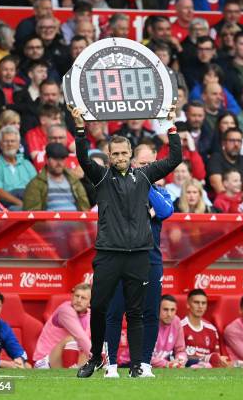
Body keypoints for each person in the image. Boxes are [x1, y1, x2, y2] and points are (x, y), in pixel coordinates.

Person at [70, 101, 181, 377]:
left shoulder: (144, 176)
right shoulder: (102, 177)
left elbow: (175, 158)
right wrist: (81, 129)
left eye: (123, 152)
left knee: (135, 313)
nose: (119, 156)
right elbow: (83, 159)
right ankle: (100, 359)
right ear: (109, 156)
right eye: (115, 153)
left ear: (130, 154)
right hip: (109, 253)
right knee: (100, 308)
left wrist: (171, 125)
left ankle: (137, 367)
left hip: (139, 254)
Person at [104, 147, 175, 378]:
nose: (146, 169)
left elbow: (165, 211)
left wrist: (145, 183)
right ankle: (111, 365)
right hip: (120, 259)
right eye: (142, 165)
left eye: (150, 165)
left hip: (151, 261)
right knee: (115, 312)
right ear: (133, 163)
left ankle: (144, 364)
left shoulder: (161, 191)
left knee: (150, 313)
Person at [33, 284, 92, 369]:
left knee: (97, 343)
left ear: (90, 302)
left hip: (71, 360)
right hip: (44, 361)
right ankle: (71, 373)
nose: (78, 300)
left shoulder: (90, 315)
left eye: (83, 298)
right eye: (76, 296)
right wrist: (96, 359)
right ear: (72, 297)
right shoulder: (65, 310)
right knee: (72, 339)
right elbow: (80, 337)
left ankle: (79, 370)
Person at [23, 143, 90, 211]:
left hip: (77, 220)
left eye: (62, 159)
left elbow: (85, 207)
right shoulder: (35, 184)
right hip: (48, 220)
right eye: (55, 159)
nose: (59, 163)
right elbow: (32, 213)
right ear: (47, 159)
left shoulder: (74, 180)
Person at [181, 289, 227, 368]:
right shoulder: (180, 327)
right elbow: (177, 357)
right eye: (196, 302)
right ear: (188, 304)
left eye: (203, 303)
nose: (200, 306)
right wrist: (204, 359)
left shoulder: (212, 329)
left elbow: (216, 356)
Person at [151, 295, 188, 368]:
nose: (169, 314)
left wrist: (180, 361)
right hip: (130, 364)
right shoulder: (148, 323)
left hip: (165, 362)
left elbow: (180, 350)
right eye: (165, 309)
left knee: (194, 363)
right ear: (157, 309)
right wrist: (167, 364)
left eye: (172, 310)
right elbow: (141, 356)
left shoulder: (176, 321)